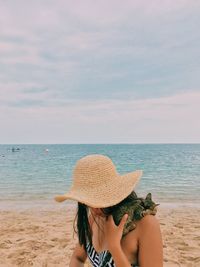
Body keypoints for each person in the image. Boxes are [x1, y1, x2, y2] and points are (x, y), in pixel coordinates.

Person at [55, 154, 163, 267]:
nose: (94, 207)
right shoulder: (94, 218)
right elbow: (77, 258)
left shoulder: (146, 224)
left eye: (98, 198)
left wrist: (115, 247)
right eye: (88, 200)